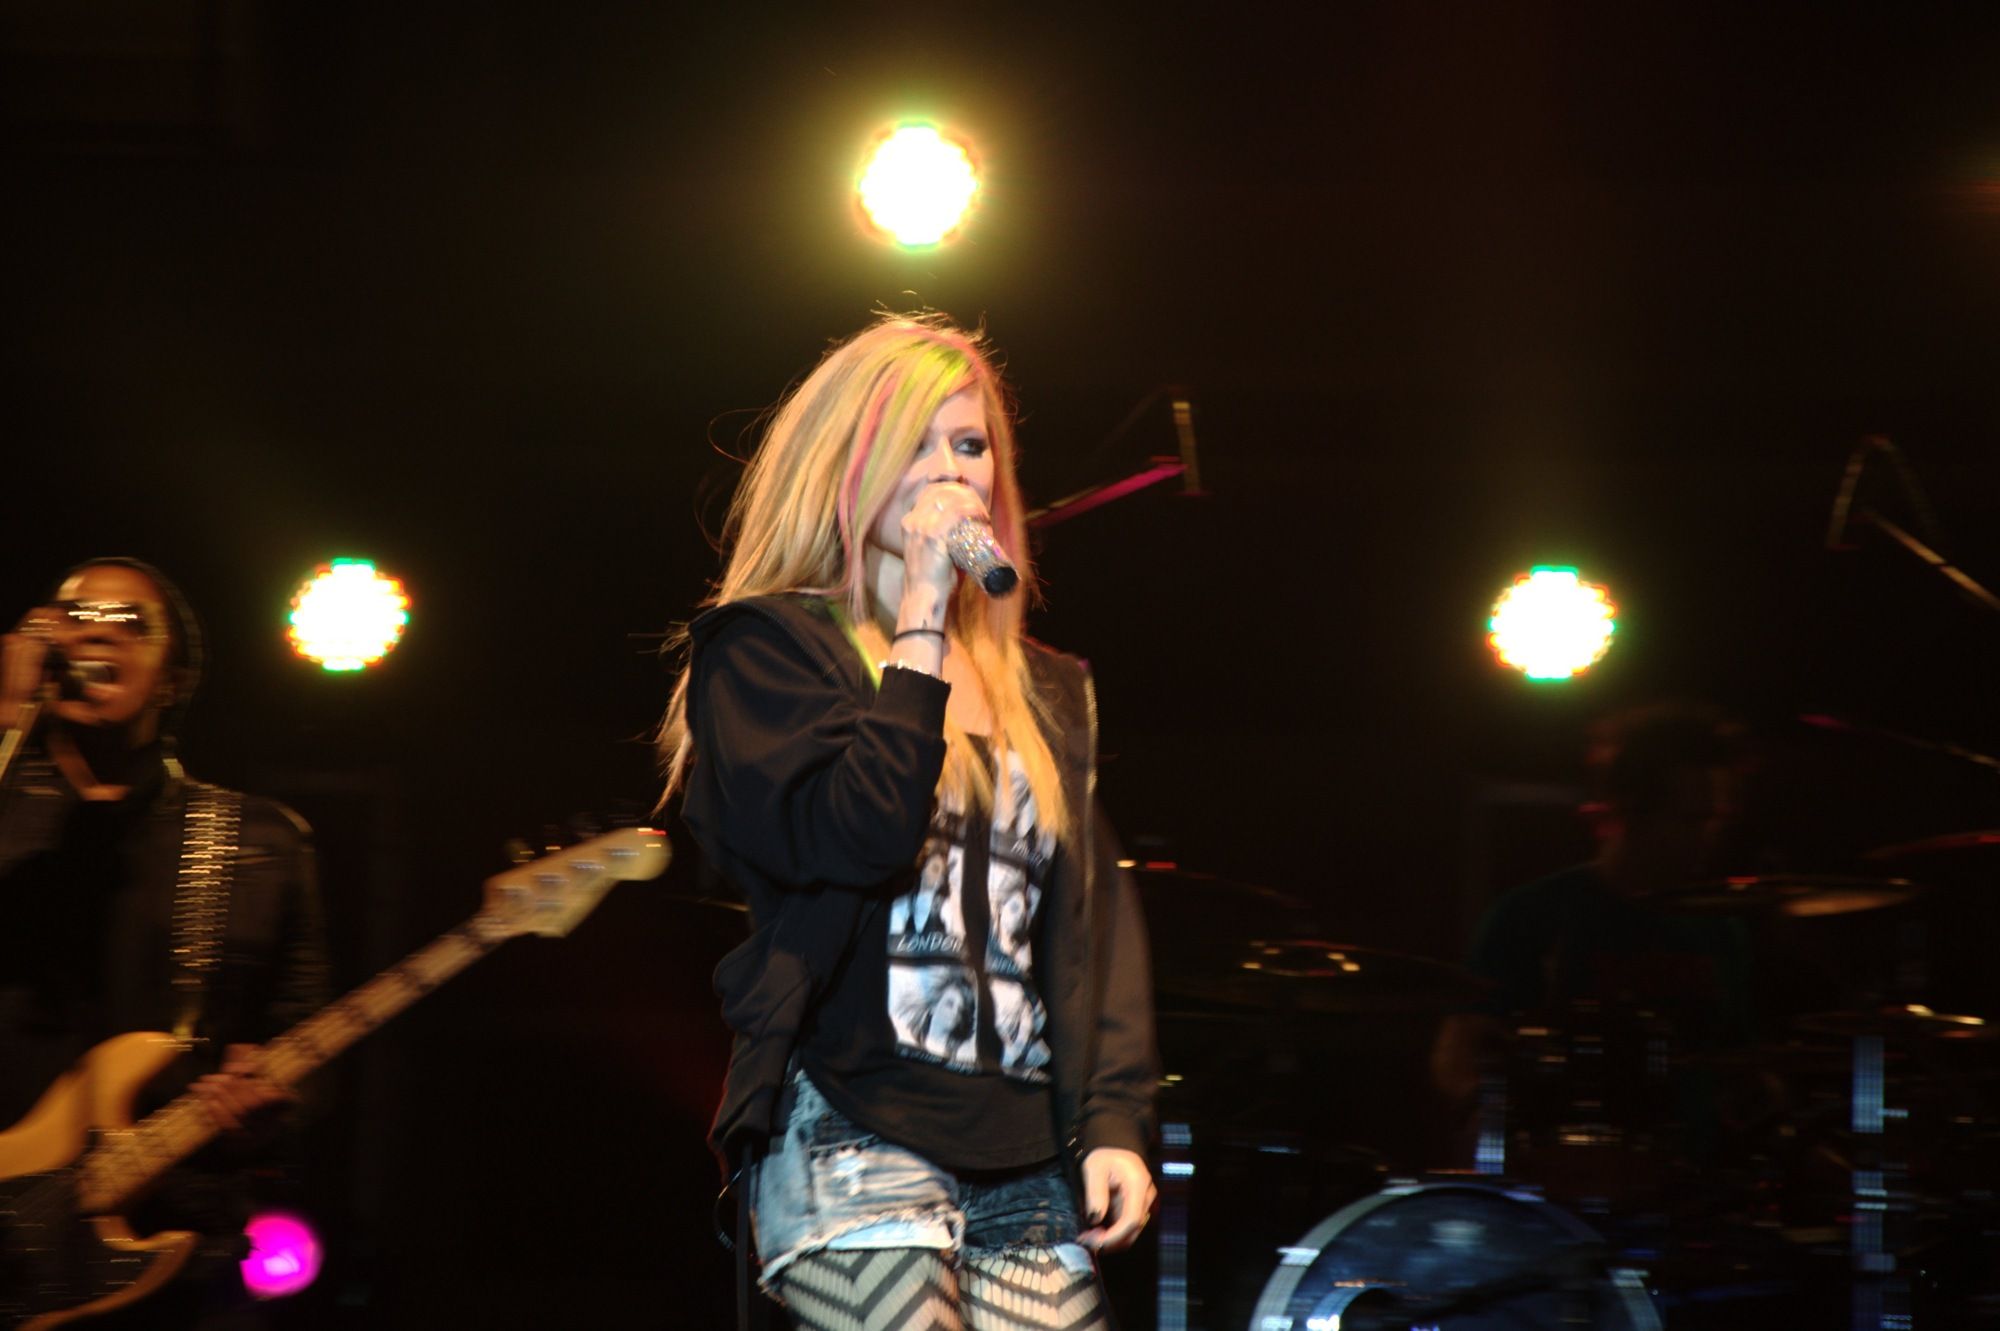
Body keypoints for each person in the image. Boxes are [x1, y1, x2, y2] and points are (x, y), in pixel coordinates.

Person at [659, 315, 1158, 1330]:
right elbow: (861, 834)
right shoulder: (767, 652)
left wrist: (1113, 1114)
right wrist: (923, 615)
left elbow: (1092, 923)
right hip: (851, 1123)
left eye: (969, 445)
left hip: (1023, 1143)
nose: (950, 471)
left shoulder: (1044, 692)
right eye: (912, 445)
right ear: (843, 468)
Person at [0, 558, 330, 1329]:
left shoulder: (256, 841)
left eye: (128, 621)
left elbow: (305, 1049)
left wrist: (266, 1104)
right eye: (74, 616)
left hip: (170, 1258)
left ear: (173, 678)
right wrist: (5, 721)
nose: (96, 633)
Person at [1430, 702, 1757, 1170]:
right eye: (1691, 820)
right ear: (1631, 810)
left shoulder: (1721, 928)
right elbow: (1464, 1043)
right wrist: (1479, 1110)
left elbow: (1740, 1063)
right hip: (1560, 1170)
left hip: (1694, 1179)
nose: (1709, 836)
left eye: (1716, 820)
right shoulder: (1533, 916)